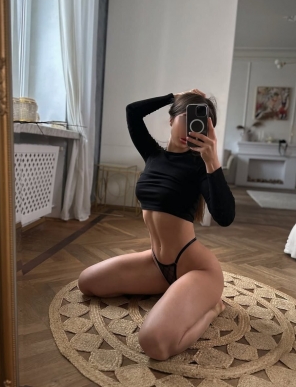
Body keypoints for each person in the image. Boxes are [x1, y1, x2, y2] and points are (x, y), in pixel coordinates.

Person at [78, 89, 235, 361]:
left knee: (154, 344)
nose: (191, 129)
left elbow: (225, 217)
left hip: (197, 270)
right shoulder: (152, 154)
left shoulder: (199, 167)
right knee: (87, 282)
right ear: (171, 119)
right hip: (156, 265)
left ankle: (211, 309)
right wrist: (174, 96)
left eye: (200, 123)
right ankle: (174, 293)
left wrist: (212, 160)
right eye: (186, 118)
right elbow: (132, 112)